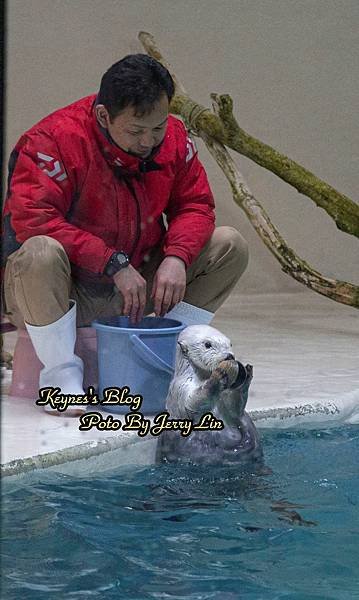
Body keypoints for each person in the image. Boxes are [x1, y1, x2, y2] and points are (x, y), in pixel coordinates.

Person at [2, 54, 249, 416]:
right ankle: (60, 375)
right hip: (61, 291)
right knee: (39, 251)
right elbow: (32, 219)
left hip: (134, 288)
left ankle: (169, 354)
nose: (149, 141)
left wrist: (176, 257)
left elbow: (195, 205)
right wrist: (112, 262)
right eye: (136, 130)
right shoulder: (52, 141)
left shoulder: (176, 141)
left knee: (229, 245)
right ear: (104, 116)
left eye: (158, 128)